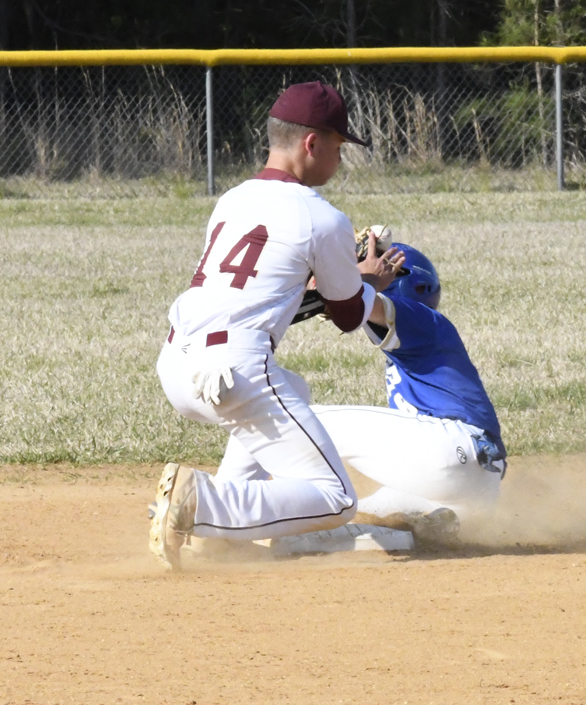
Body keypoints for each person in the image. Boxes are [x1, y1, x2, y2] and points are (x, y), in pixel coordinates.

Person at [149, 81, 404, 570]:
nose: (340, 158)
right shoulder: (322, 218)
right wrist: (366, 279)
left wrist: (329, 279)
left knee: (295, 390)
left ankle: (220, 533)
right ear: (312, 143)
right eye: (338, 146)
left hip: (177, 363)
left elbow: (255, 287)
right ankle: (203, 504)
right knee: (336, 497)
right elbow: (348, 316)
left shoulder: (233, 198)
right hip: (235, 370)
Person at [311, 239, 507, 546]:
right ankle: (419, 533)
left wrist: (347, 284)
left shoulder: (420, 319)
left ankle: (249, 505)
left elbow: (365, 304)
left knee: (298, 418)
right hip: (475, 483)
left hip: (450, 448)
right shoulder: (416, 337)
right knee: (361, 518)